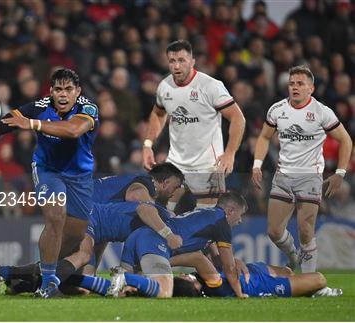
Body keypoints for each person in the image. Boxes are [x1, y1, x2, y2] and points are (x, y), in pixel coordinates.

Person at [0, 68, 99, 297]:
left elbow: (73, 130)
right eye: (58, 89)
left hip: (79, 177)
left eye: (68, 90)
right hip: (47, 170)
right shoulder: (40, 107)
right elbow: (10, 121)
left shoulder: (87, 108)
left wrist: (32, 124)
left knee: (74, 238)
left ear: (77, 92)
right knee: (55, 215)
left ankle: (6, 272)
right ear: (51, 91)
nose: (63, 95)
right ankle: (48, 284)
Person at [0, 163, 185, 295]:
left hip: (88, 214)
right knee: (82, 255)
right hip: (83, 210)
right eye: (175, 187)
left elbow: (105, 233)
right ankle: (29, 281)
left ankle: (14, 279)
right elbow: (137, 200)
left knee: (83, 284)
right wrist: (163, 222)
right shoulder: (147, 183)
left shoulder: (120, 194)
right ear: (164, 182)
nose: (174, 193)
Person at [252, 65, 352, 272]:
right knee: (273, 231)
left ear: (311, 88)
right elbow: (263, 137)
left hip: (310, 176)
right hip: (283, 176)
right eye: (291, 83)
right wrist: (257, 165)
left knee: (306, 230)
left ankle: (310, 281)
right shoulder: (277, 110)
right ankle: (293, 257)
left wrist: (340, 173)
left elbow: (345, 140)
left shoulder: (321, 112)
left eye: (300, 84)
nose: (295, 87)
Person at [142, 40, 245, 210]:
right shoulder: (164, 86)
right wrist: (147, 145)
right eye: (172, 61)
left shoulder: (211, 86)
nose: (176, 66)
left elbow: (238, 118)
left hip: (208, 165)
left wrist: (230, 153)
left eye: (182, 60)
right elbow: (158, 114)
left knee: (206, 221)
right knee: (162, 213)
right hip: (175, 164)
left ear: (192, 61)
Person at [110, 192, 248, 298]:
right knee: (164, 292)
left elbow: (216, 261)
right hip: (155, 242)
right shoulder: (221, 223)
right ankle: (124, 277)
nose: (240, 220)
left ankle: (121, 277)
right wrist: (239, 294)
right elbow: (228, 267)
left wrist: (234, 262)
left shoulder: (208, 215)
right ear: (230, 211)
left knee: (124, 292)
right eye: (240, 215)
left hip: (138, 236)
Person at [172, 263, 342, 298]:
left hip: (252, 270)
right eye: (186, 278)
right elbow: (198, 257)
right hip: (258, 285)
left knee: (287, 271)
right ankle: (313, 292)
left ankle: (308, 290)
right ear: (193, 286)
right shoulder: (211, 285)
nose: (184, 275)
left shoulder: (201, 280)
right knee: (319, 280)